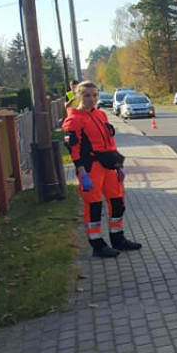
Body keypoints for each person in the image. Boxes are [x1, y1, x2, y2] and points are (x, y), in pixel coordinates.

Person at [62, 81, 142, 258]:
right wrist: (82, 173)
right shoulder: (74, 120)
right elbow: (73, 149)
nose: (92, 99)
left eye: (95, 95)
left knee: (117, 203)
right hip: (91, 168)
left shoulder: (101, 115)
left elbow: (110, 142)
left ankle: (118, 239)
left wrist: (118, 164)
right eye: (87, 95)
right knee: (94, 205)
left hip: (109, 166)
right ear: (79, 97)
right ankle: (97, 244)